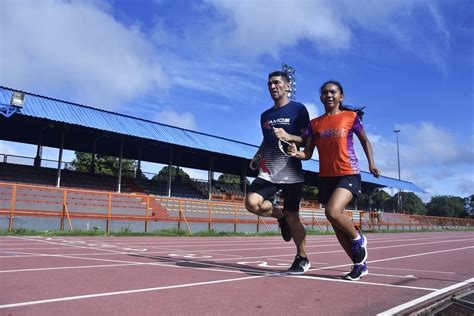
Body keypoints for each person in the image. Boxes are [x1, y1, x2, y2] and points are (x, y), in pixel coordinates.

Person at [288, 80, 380, 281]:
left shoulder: (350, 117)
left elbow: (365, 141)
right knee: (335, 222)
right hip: (326, 177)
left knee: (333, 211)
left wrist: (372, 164)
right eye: (324, 93)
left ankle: (358, 238)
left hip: (348, 173)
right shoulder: (315, 124)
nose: (328, 95)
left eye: (333, 92)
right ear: (321, 97)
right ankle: (359, 265)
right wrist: (297, 153)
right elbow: (308, 154)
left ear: (341, 96)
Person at [245, 70, 311, 275]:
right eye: (269, 84)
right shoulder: (265, 115)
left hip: (291, 171)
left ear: (287, 86)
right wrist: (258, 155)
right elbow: (267, 140)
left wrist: (289, 136)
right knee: (251, 203)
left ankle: (302, 257)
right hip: (269, 170)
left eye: (276, 83)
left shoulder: (299, 110)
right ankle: (279, 216)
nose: (272, 87)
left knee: (294, 217)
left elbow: (307, 140)